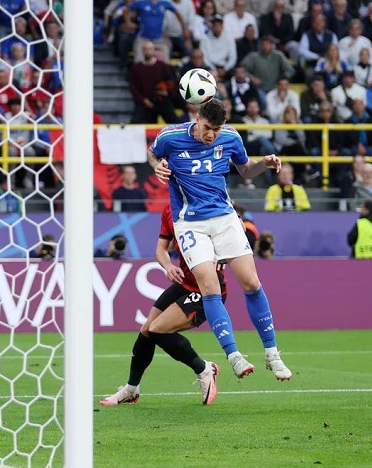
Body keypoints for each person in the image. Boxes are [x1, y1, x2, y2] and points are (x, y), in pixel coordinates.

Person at [149, 98, 292, 380]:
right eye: (207, 128)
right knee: (209, 286)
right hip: (190, 223)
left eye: (216, 129)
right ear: (197, 118)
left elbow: (246, 169)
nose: (211, 134)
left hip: (225, 218)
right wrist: (156, 165)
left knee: (251, 282)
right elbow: (152, 153)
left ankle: (272, 353)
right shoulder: (170, 136)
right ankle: (234, 355)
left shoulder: (230, 137)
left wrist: (264, 164)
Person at [100, 204, 222, 407]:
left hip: (207, 288)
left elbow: (232, 238)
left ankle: (204, 369)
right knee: (146, 330)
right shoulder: (169, 210)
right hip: (185, 282)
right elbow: (160, 250)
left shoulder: (208, 203)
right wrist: (168, 266)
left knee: (157, 329)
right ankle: (131, 389)